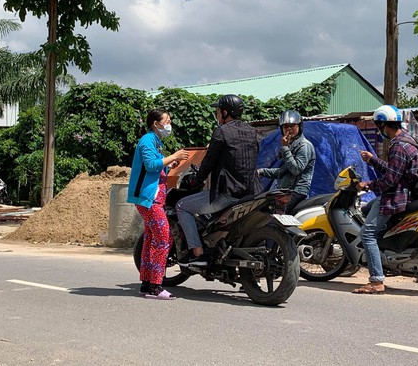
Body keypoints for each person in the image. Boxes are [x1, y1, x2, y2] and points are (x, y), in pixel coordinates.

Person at [176, 94, 261, 267]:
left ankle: (197, 253)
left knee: (182, 206)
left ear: (224, 112)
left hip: (228, 193)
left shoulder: (221, 132)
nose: (216, 114)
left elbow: (208, 162)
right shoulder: (253, 132)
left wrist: (196, 180)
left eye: (217, 111)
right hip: (252, 192)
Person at [353, 104, 418, 294]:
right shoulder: (408, 140)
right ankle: (381, 254)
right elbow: (394, 171)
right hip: (401, 194)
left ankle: (376, 280)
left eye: (379, 126)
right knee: (365, 210)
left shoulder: (399, 146)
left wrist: (368, 185)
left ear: (384, 125)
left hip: (395, 197)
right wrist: (373, 160)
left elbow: (390, 181)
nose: (379, 130)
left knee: (367, 234)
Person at [128, 109, 190, 299]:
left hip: (153, 199)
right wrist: (175, 156)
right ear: (156, 124)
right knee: (163, 238)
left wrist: (168, 164)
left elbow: (156, 164)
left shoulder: (154, 142)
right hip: (149, 199)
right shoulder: (147, 141)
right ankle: (155, 286)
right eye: (167, 121)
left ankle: (147, 284)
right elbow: (150, 165)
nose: (169, 124)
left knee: (150, 240)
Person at [257, 110, 316, 214]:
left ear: (299, 126)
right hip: (286, 191)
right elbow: (282, 172)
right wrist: (261, 171)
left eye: (292, 126)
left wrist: (285, 148)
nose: (289, 129)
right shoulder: (291, 145)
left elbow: (296, 169)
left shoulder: (304, 146)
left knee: (279, 218)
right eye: (285, 126)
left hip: (297, 191)